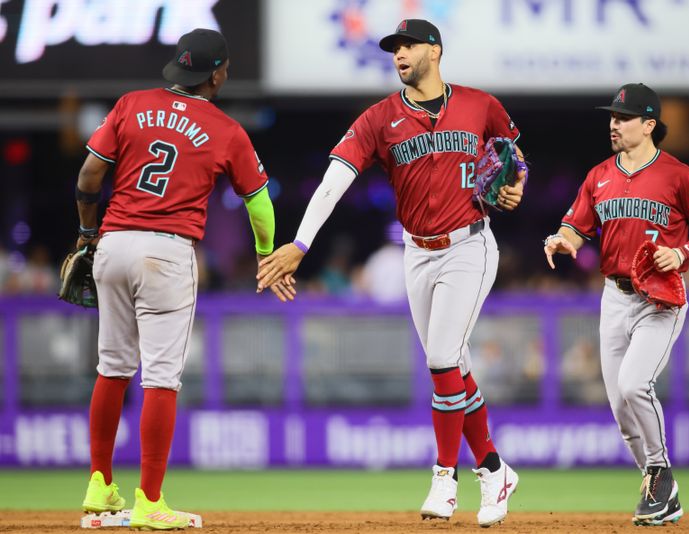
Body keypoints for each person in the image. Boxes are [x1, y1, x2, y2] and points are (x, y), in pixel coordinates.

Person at [256, 19, 525, 528]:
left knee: (443, 358)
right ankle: (493, 469)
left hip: (469, 245)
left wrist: (516, 187)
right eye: (393, 48)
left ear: (435, 50)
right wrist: (301, 242)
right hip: (415, 252)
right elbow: (334, 180)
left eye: (408, 45)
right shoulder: (380, 118)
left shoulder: (480, 104)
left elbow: (513, 160)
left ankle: (445, 478)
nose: (398, 54)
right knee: (451, 367)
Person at [75, 28, 289, 529]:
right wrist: (264, 254)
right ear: (217, 74)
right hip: (167, 251)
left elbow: (89, 175)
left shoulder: (131, 104)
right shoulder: (226, 129)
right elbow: (259, 203)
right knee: (161, 378)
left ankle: (99, 484)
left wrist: (86, 234)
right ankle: (149, 501)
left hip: (112, 241)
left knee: (112, 368)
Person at [543, 83, 689, 526]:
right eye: (612, 116)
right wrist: (561, 239)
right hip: (614, 295)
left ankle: (660, 471)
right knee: (621, 411)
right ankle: (661, 490)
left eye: (623, 117)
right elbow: (576, 227)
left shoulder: (679, 175)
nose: (614, 123)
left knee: (633, 385)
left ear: (649, 125)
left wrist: (682, 252)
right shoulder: (599, 175)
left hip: (660, 298)